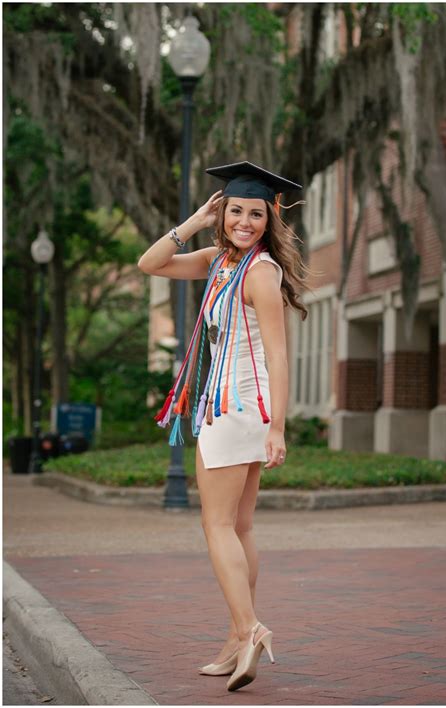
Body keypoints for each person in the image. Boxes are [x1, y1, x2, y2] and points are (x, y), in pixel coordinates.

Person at [138, 161, 308, 692]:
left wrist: (278, 427)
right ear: (223, 212)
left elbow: (279, 357)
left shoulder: (258, 271)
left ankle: (250, 628)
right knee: (240, 527)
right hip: (238, 410)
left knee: (215, 526)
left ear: (268, 220)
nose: (245, 221)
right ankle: (237, 640)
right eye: (236, 210)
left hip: (234, 410)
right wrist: (194, 220)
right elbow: (151, 263)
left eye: (255, 214)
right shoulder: (219, 263)